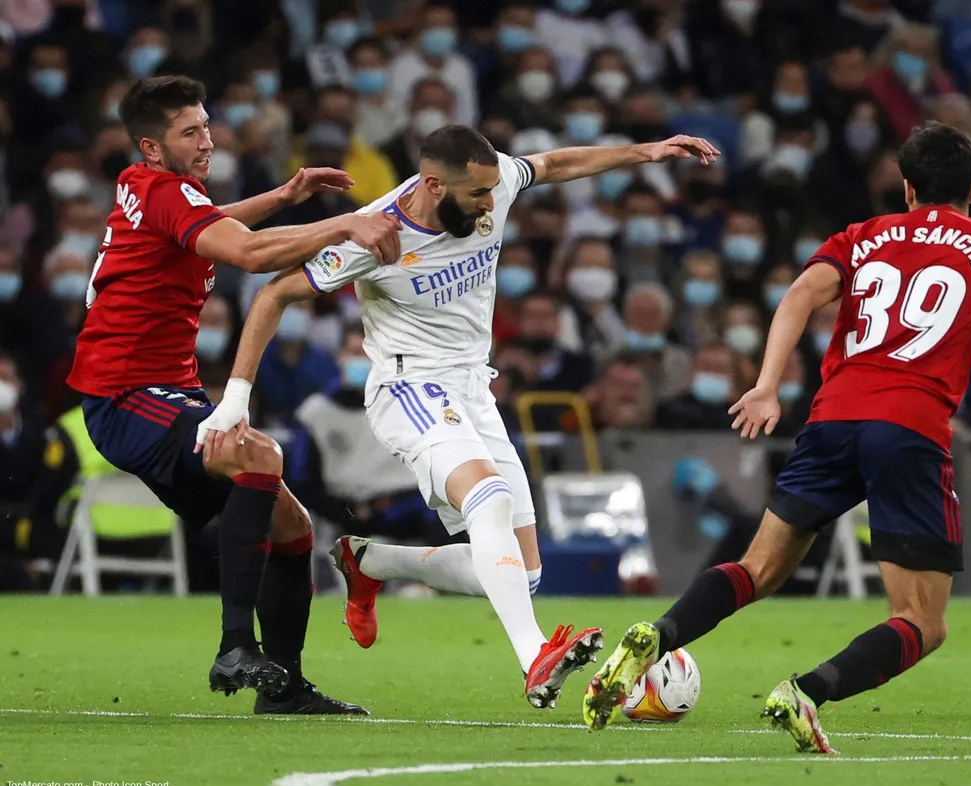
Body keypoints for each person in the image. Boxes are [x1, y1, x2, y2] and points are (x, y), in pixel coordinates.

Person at [582, 122, 971, 750]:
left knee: (758, 567)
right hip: (910, 429)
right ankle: (806, 692)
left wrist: (768, 384)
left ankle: (658, 636)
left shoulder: (863, 235)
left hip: (831, 419)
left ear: (907, 187)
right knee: (923, 621)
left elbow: (800, 295)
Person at [198, 124, 720, 709]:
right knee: (489, 499)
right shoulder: (377, 234)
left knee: (519, 576)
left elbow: (554, 165)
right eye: (475, 195)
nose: (489, 204)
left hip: (473, 388)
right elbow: (273, 295)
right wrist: (236, 397)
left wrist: (643, 150)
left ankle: (369, 561)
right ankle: (534, 657)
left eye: (492, 190)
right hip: (408, 385)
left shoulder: (491, 182)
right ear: (432, 184)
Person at [65, 76, 403, 714]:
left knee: (292, 524)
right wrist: (344, 225)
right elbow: (245, 255)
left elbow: (215, 225)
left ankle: (283, 688)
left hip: (160, 391)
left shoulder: (151, 188)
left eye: (206, 126)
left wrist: (285, 195)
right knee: (259, 455)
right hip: (126, 394)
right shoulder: (165, 190)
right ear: (151, 146)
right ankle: (233, 646)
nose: (207, 140)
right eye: (189, 131)